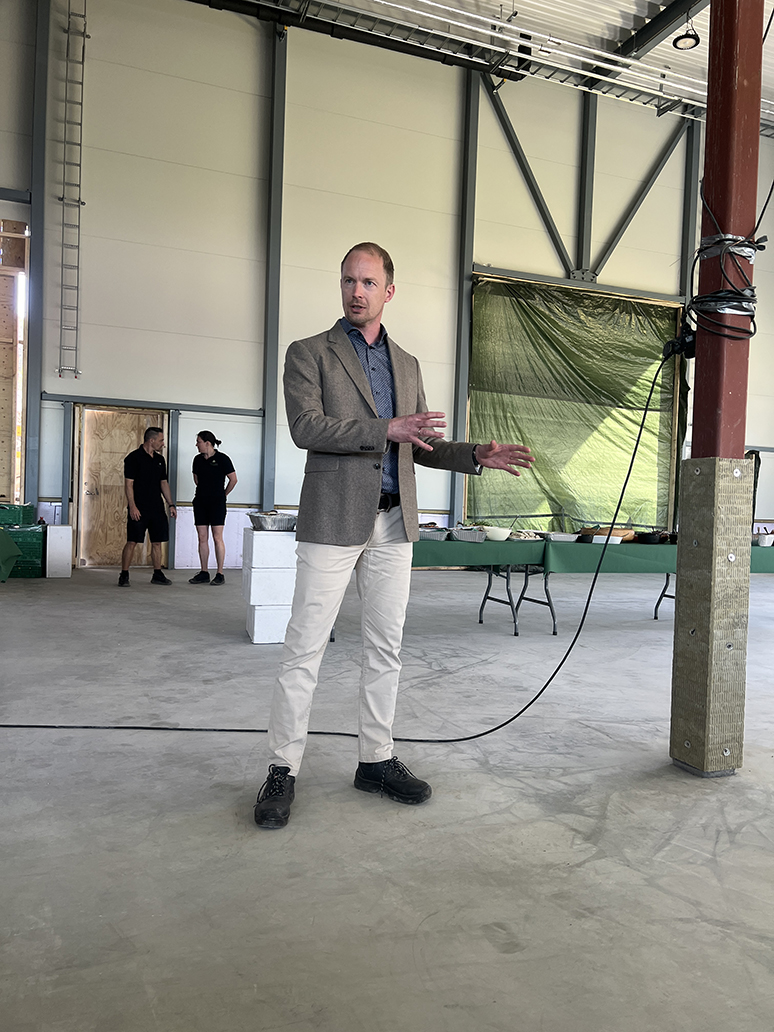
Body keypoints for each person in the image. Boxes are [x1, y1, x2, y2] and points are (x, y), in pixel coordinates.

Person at [253, 242, 535, 829]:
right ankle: (282, 768)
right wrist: (386, 427)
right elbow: (307, 427)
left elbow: (421, 444)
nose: (356, 291)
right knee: (303, 649)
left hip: (393, 523)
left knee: (385, 648)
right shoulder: (309, 353)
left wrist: (476, 454)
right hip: (332, 521)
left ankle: (375, 759)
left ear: (389, 291)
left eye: (368, 282)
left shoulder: (405, 364)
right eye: (348, 281)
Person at [119, 427, 176, 587]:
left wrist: (170, 504)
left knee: (157, 542)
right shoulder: (133, 458)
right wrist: (132, 507)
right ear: (151, 440)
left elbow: (163, 483)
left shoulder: (160, 460)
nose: (163, 444)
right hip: (139, 507)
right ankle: (124, 574)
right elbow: (128, 485)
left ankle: (157, 574)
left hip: (156, 507)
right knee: (132, 541)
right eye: (161, 440)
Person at [188, 431, 237, 586]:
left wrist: (222, 494)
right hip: (201, 502)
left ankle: (220, 573)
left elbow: (233, 479)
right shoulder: (197, 460)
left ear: (207, 443)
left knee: (217, 537)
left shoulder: (223, 459)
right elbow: (196, 480)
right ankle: (204, 572)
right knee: (202, 538)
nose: (197, 444)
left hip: (217, 503)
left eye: (199, 441)